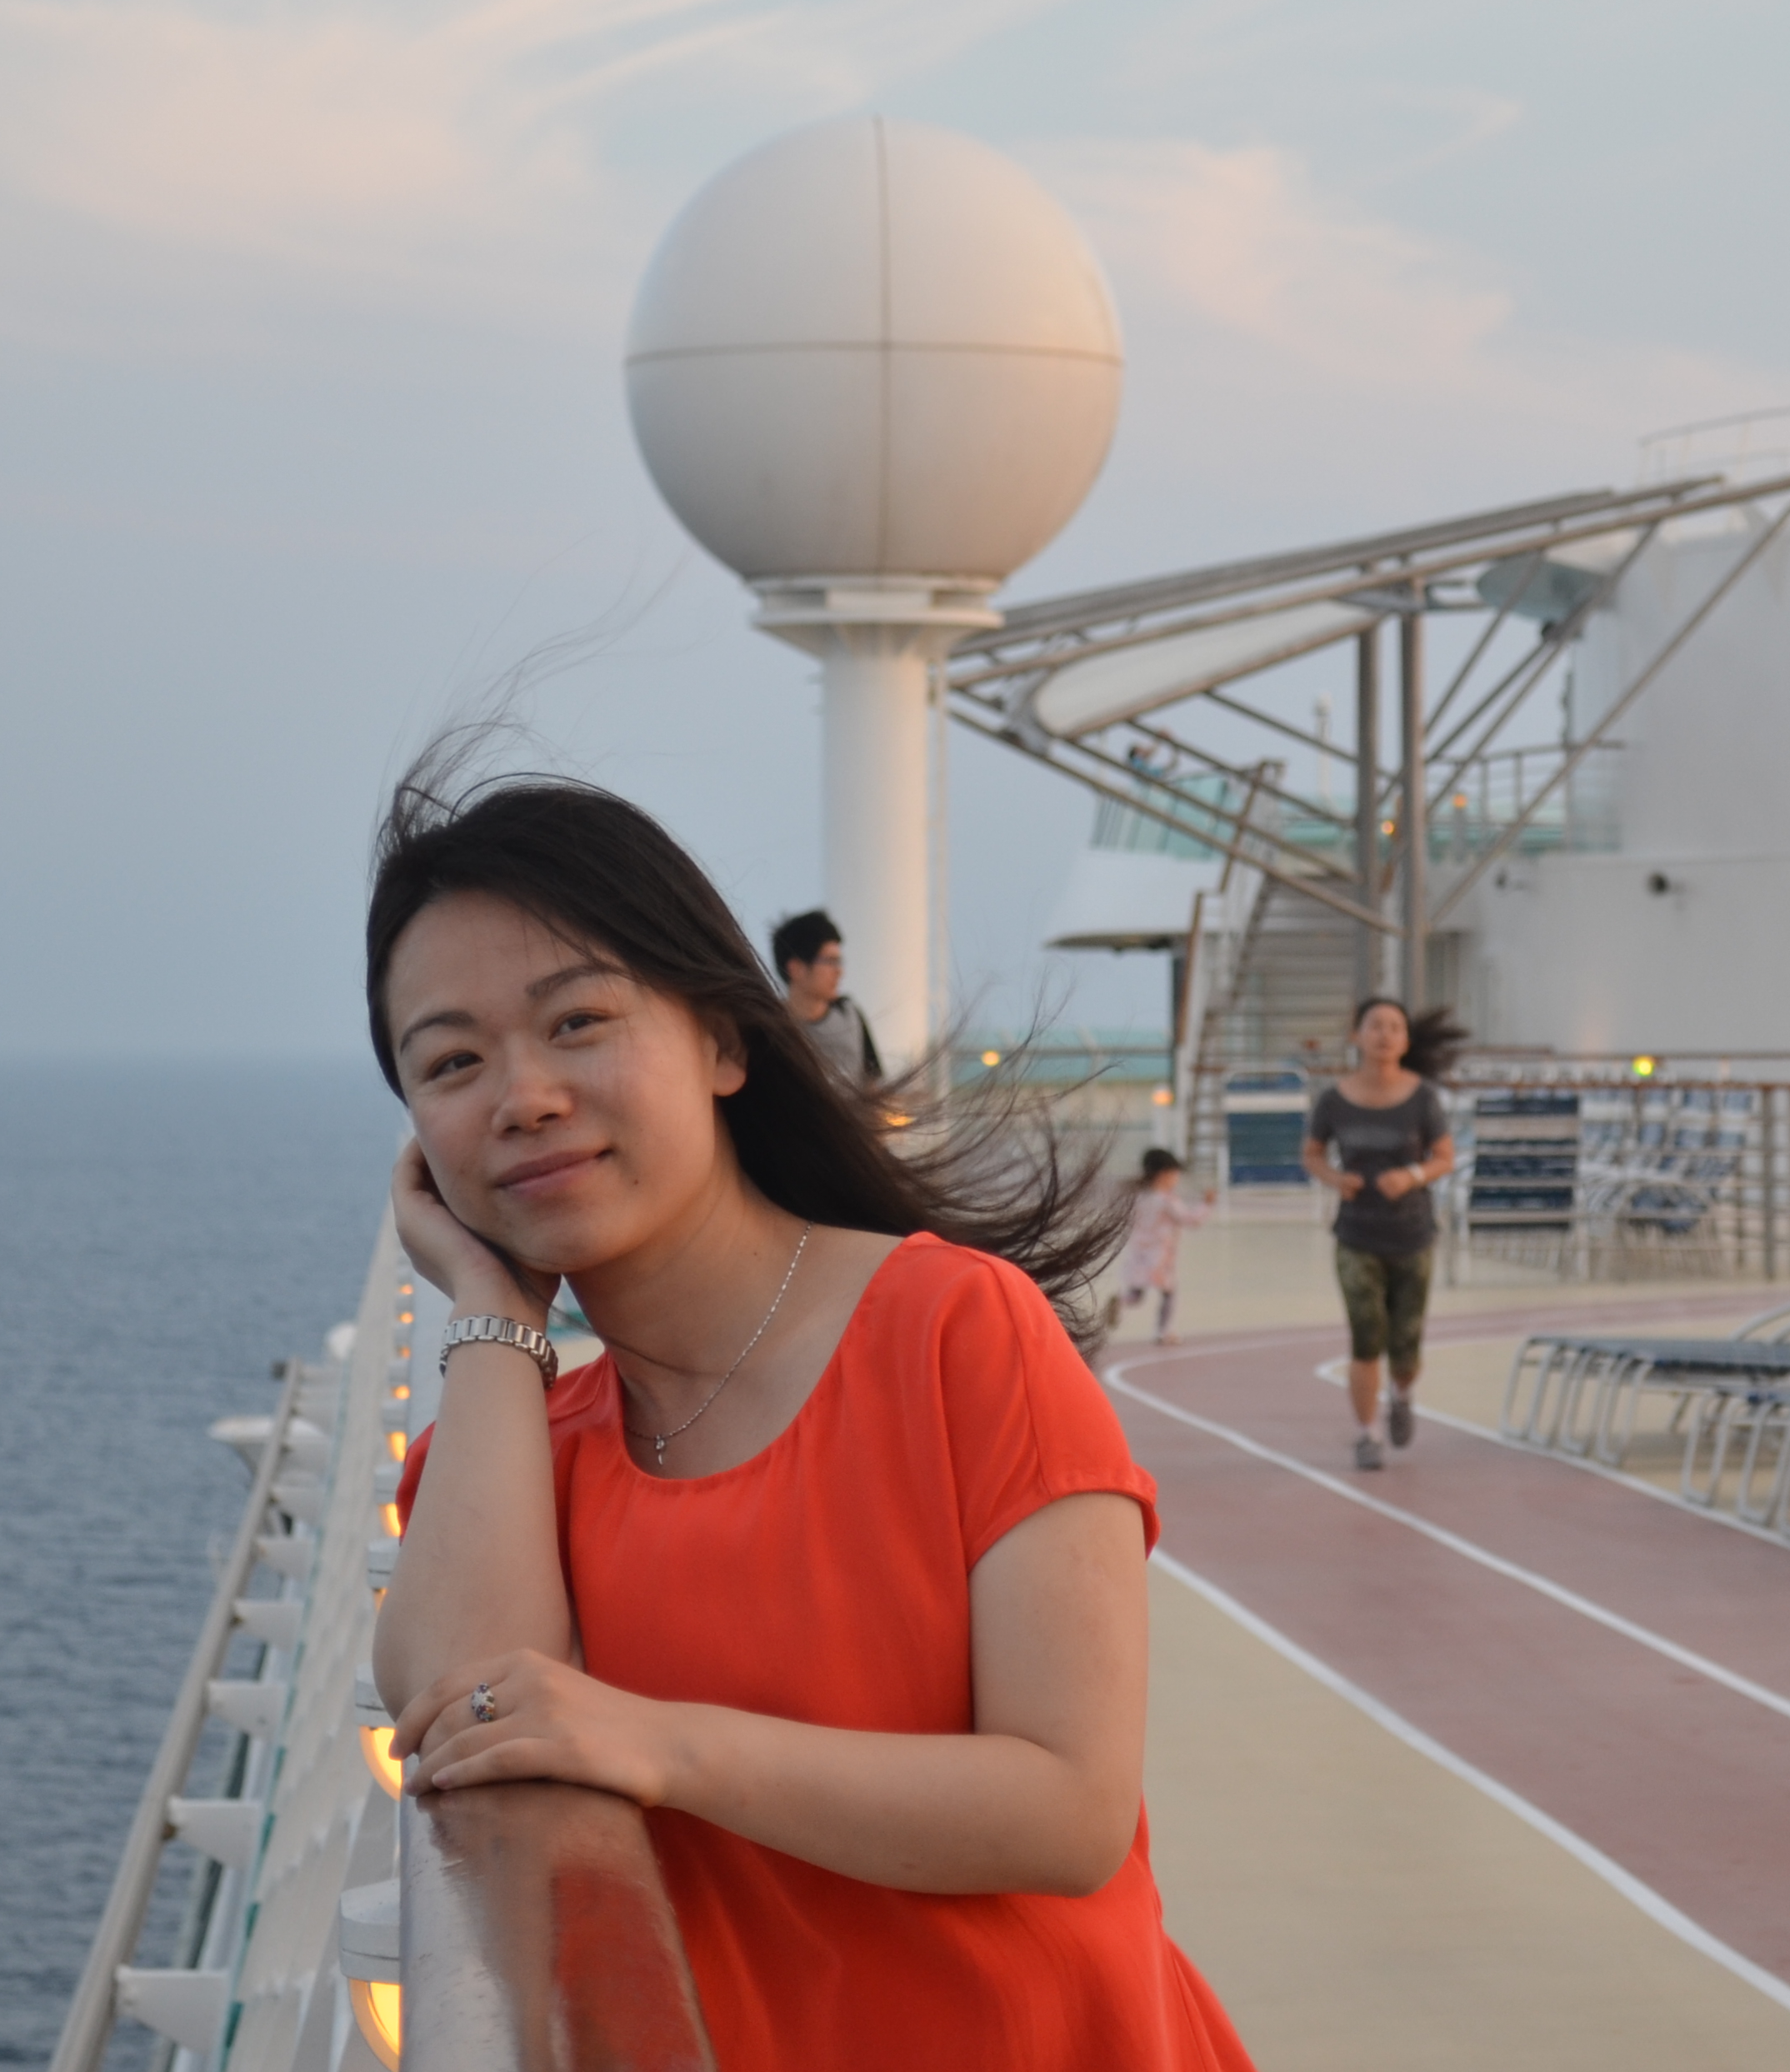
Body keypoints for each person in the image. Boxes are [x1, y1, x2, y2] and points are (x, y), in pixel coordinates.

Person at [372, 770, 1250, 2069]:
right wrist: (492, 1307)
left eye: (579, 1022)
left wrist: (660, 1744)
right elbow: (469, 1714)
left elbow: (1068, 1809)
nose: (523, 1097)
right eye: (451, 1062)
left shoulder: (956, 1331)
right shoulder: (520, 1447)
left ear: (727, 1043)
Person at [1306, 996, 1458, 1474]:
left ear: (1405, 1040)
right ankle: (1367, 1434)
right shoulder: (1333, 1100)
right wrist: (1337, 1179)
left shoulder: (1423, 1099)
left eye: (1395, 1027)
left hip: (1413, 1235)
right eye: (1376, 1025)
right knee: (1366, 1338)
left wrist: (1410, 1176)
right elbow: (1311, 1154)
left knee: (1406, 1345)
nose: (1385, 1034)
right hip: (1357, 1236)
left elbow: (1444, 1157)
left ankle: (1403, 1393)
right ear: (1357, 1035)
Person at [768, 906, 881, 1087]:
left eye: (839, 961)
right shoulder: (770, 1028)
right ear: (796, 968)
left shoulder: (850, 1015)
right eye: (830, 961)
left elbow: (873, 1087)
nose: (839, 971)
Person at [1112, 1148, 1208, 1346]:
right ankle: (1163, 1332)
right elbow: (1190, 1220)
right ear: (1164, 1174)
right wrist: (1205, 1205)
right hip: (1160, 1256)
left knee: (1136, 1294)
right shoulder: (1167, 1200)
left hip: (1137, 1253)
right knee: (1168, 1293)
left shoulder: (1139, 1197)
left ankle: (1121, 1300)